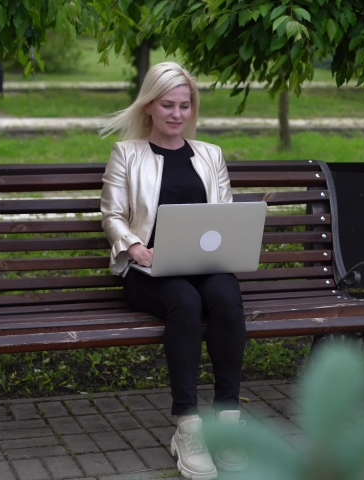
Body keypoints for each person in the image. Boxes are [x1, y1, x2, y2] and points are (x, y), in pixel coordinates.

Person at [99, 62, 246, 480]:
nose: (177, 114)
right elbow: (112, 214)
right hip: (150, 272)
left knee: (226, 298)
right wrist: (135, 246)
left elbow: (226, 214)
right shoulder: (127, 154)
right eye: (167, 105)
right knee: (184, 301)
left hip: (203, 264)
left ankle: (227, 422)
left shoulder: (210, 155)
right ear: (149, 106)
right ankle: (188, 427)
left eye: (184, 106)